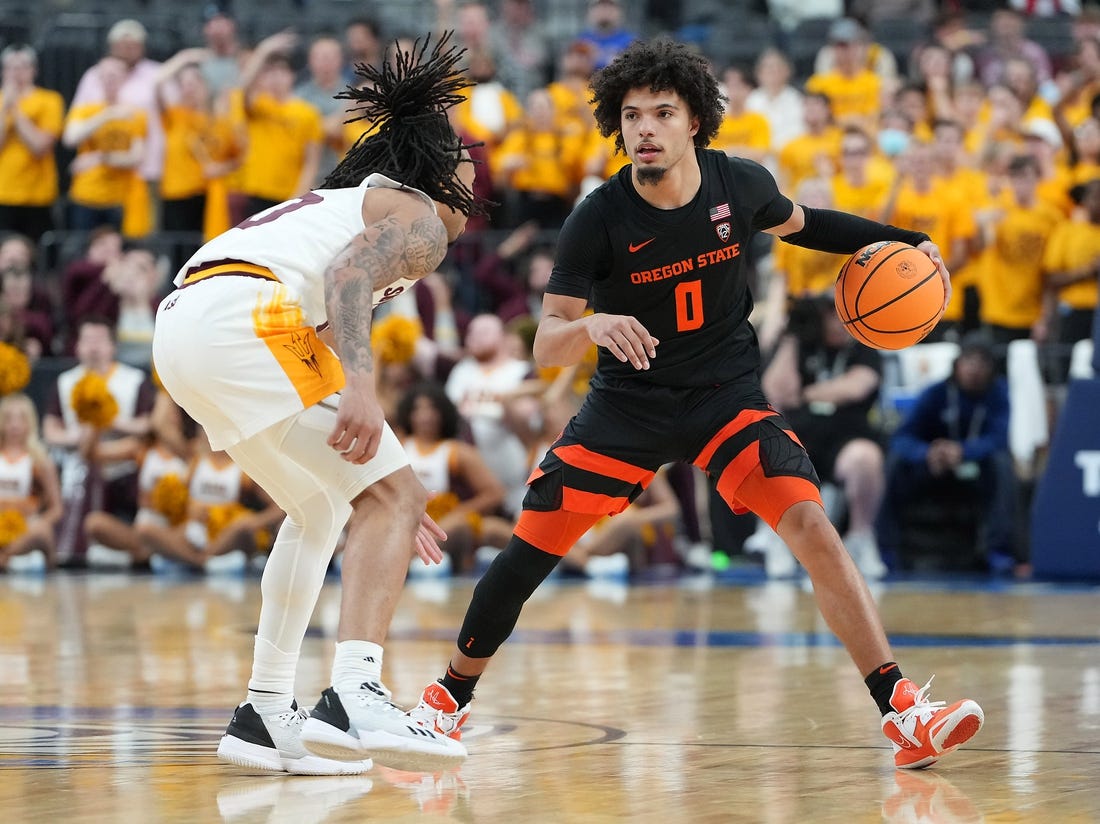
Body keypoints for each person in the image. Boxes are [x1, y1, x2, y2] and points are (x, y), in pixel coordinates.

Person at [395, 38, 984, 771]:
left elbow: (813, 226)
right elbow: (547, 344)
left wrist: (909, 239)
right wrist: (590, 325)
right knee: (530, 551)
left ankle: (904, 715)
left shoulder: (739, 184)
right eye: (633, 115)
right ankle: (445, 703)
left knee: (810, 524)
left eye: (662, 113)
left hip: (723, 397)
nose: (645, 127)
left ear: (694, 122)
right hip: (626, 406)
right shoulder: (597, 216)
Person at [151, 34, 480, 775]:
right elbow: (349, 278)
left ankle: (265, 713)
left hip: (189, 326)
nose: (475, 171)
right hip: (243, 316)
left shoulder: (355, 208)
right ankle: (354, 694)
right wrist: (382, 453)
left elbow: (325, 328)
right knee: (385, 497)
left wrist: (387, 492)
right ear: (437, 173)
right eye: (465, 158)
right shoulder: (419, 221)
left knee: (325, 509)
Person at [876, 335, 1018, 574]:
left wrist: (963, 452)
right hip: (933, 467)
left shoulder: (998, 394)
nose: (974, 369)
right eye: (969, 361)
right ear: (956, 364)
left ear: (992, 369)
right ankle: (885, 549)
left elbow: (999, 439)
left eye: (982, 362)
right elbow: (901, 437)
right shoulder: (936, 392)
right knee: (895, 463)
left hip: (975, 470)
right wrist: (927, 453)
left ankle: (998, 551)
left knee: (1002, 464)